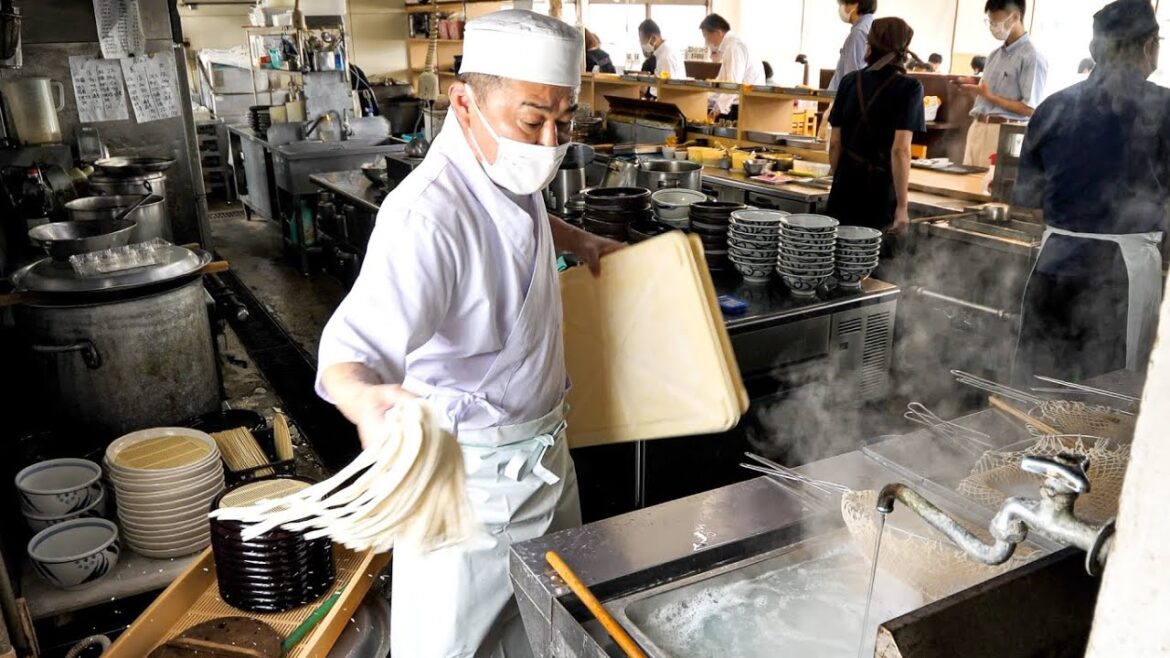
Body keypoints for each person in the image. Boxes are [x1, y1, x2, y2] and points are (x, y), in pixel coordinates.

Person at [315, 10, 622, 657]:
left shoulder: (508, 170)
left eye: (563, 123)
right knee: (455, 646)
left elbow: (522, 222)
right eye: (532, 119)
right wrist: (366, 399)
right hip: (468, 489)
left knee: (551, 635)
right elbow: (347, 355)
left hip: (545, 464)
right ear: (464, 101)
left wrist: (578, 238)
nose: (548, 142)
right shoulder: (426, 218)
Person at [1011, 0, 1169, 384]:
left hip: (1051, 266)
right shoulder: (1164, 107)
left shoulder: (1052, 106)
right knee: (1107, 395)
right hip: (1121, 276)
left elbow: (1027, 200)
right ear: (1149, 46)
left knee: (1039, 386)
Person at [827, 17, 926, 235]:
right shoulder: (910, 88)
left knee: (838, 259)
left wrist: (839, 179)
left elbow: (834, 143)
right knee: (871, 262)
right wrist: (902, 206)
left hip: (844, 187)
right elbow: (900, 150)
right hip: (878, 191)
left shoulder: (850, 81)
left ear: (870, 44)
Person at [960, 0, 1048, 166]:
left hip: (1003, 132)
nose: (993, 27)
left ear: (1015, 16)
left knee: (988, 188)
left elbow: (1029, 109)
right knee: (966, 185)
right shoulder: (995, 55)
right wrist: (974, 88)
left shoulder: (1032, 56)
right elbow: (987, 95)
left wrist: (991, 97)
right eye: (990, 22)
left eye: (997, 22)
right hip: (978, 126)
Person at [699, 13, 765, 121]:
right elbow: (723, 82)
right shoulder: (732, 45)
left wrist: (716, 111)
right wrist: (704, 98)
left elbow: (732, 84)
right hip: (742, 102)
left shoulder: (733, 47)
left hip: (743, 106)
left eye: (706, 36)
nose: (707, 42)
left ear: (718, 33)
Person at [829, 0, 877, 91]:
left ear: (856, 4)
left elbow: (853, 75)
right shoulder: (868, 26)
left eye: (844, 4)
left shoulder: (859, 32)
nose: (841, 8)